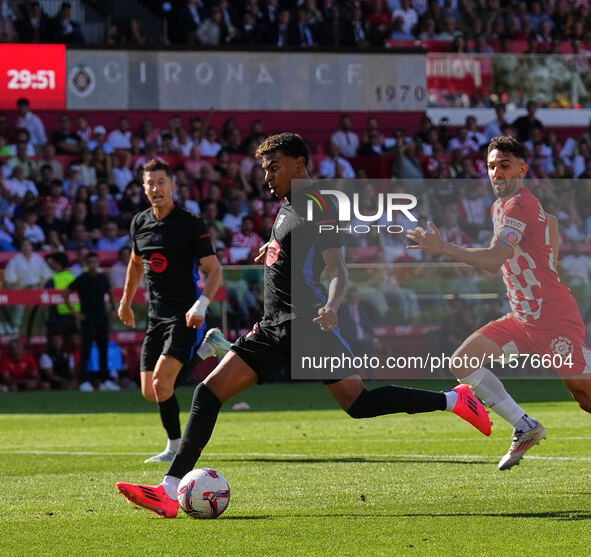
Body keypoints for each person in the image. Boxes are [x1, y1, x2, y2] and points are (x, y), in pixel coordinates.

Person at [116, 132, 491, 517]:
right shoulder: (287, 206)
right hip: (274, 326)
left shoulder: (320, 205)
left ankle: (455, 399)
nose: (267, 177)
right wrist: (274, 251)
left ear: (299, 162)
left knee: (359, 403)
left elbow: (338, 270)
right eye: (265, 169)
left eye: (274, 167)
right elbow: (296, 247)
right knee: (208, 393)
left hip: (308, 325)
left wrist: (332, 305)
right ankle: (169, 490)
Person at [406, 135, 591, 470]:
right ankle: (525, 425)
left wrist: (442, 247)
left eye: (504, 165)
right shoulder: (502, 207)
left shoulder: (519, 204)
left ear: (522, 168)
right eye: (491, 166)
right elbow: (551, 221)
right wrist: (546, 260)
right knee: (463, 361)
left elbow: (494, 260)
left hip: (552, 318)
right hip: (522, 319)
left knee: (585, 397)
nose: (496, 173)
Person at [117, 159, 232, 463]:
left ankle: (174, 448)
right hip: (156, 315)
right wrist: (125, 301)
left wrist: (202, 303)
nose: (156, 188)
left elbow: (214, 270)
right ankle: (208, 349)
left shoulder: (190, 223)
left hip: (185, 313)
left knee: (161, 382)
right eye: (150, 183)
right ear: (144, 189)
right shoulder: (139, 223)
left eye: (161, 182)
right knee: (150, 391)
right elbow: (136, 263)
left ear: (172, 186)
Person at [63, 251, 121, 392]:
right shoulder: (82, 279)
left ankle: (104, 380)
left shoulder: (102, 278)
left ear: (98, 263)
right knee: (86, 349)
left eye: (95, 262)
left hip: (101, 317)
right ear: (86, 264)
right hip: (87, 318)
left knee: (103, 349)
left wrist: (113, 308)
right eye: (90, 262)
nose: (93, 265)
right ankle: (83, 381)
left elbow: (110, 292)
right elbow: (65, 293)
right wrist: (75, 313)